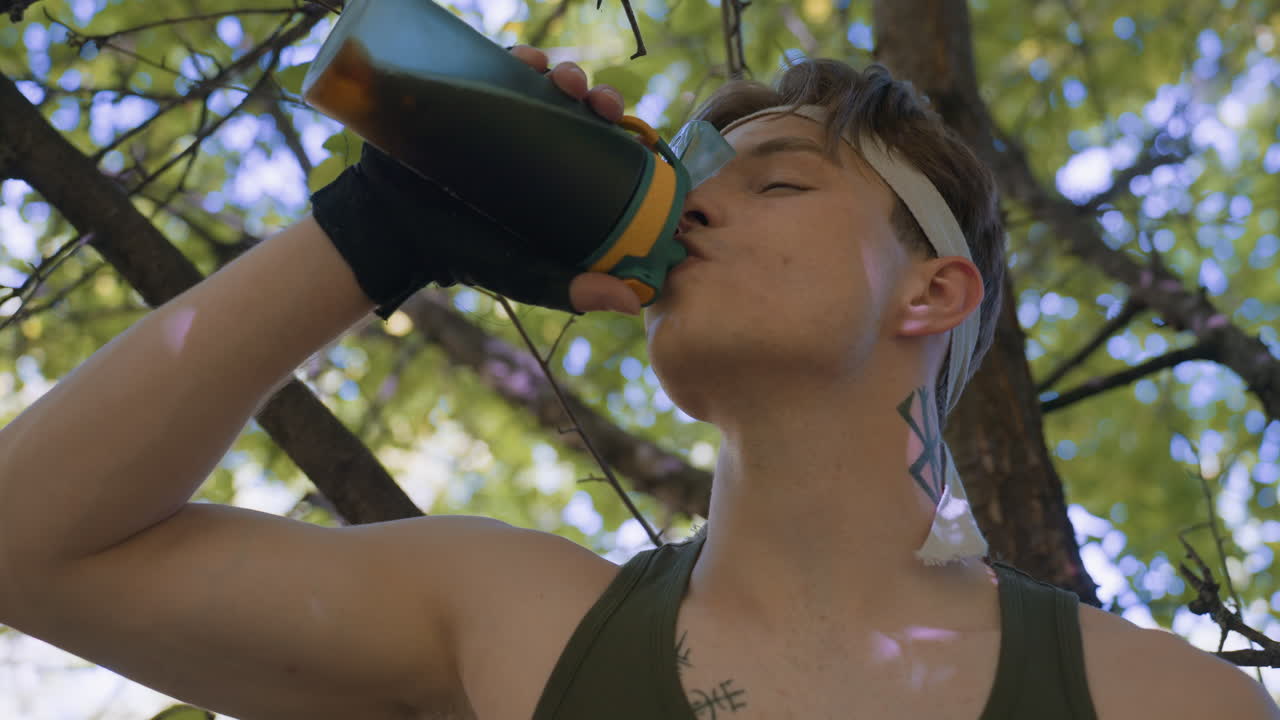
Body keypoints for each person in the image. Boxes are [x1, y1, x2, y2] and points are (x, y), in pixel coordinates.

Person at [0, 43, 1274, 720]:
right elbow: (29, 546)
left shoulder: (1164, 703)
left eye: (777, 182)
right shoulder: (506, 618)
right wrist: (379, 231)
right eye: (692, 183)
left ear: (931, 293)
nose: (695, 210)